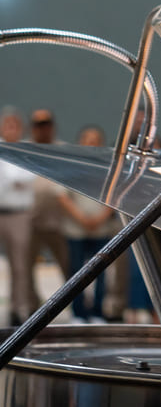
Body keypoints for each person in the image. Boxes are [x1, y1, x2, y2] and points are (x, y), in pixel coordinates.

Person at [58, 126, 115, 322]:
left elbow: (116, 196)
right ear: (80, 141)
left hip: (101, 228)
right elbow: (63, 196)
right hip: (76, 229)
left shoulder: (109, 166)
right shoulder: (70, 164)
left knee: (101, 273)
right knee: (76, 272)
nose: (91, 143)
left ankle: (98, 311)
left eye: (95, 139)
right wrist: (81, 218)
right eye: (87, 139)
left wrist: (101, 218)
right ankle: (78, 313)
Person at [27, 108, 70, 311]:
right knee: (26, 269)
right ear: (32, 128)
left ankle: (75, 308)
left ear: (52, 127)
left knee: (69, 267)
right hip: (30, 221)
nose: (42, 129)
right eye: (38, 125)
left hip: (59, 221)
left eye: (46, 124)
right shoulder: (24, 150)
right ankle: (32, 309)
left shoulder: (63, 150)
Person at [0, 108, 35, 324]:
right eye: (7, 125)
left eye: (15, 125)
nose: (11, 129)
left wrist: (9, 180)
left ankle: (17, 308)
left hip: (19, 215)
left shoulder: (26, 150)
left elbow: (25, 177)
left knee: (20, 265)